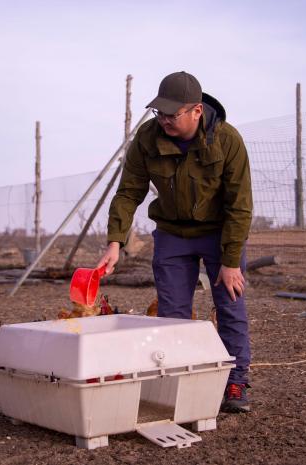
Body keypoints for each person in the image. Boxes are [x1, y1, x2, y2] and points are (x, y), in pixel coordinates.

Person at [98, 71, 253, 413]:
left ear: (196, 111)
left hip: (218, 234)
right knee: (171, 315)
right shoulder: (148, 138)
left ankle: (236, 383)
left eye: (172, 114)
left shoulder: (227, 141)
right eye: (159, 113)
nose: (164, 120)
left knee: (229, 307)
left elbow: (239, 205)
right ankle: (180, 382)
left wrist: (229, 262)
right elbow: (129, 192)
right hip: (172, 234)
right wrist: (114, 242)